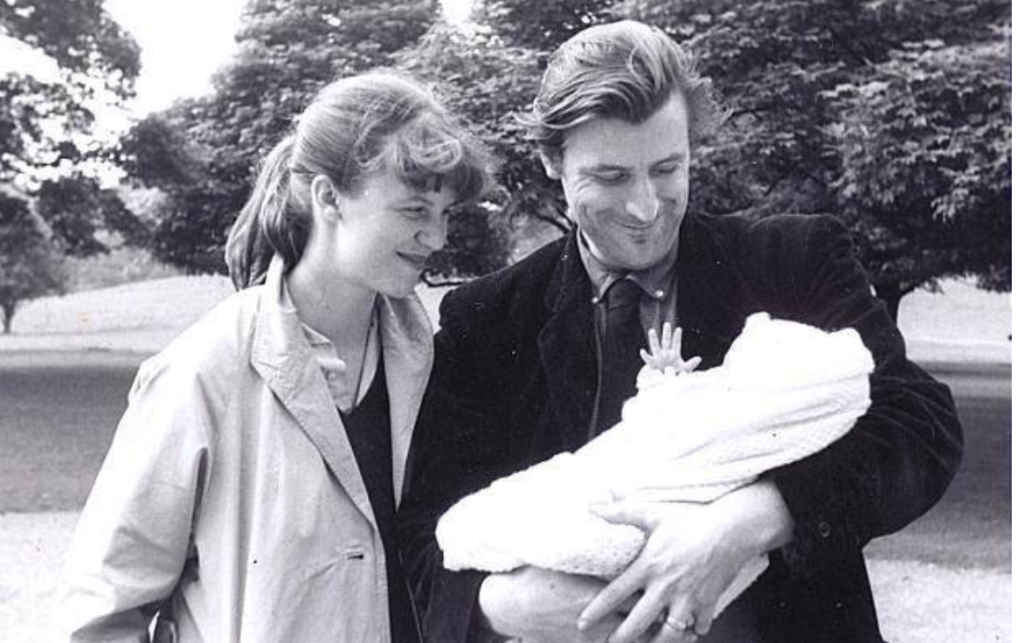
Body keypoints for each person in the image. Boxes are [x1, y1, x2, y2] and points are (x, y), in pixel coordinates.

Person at [396, 20, 962, 643]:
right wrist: (500, 605)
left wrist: (753, 519)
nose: (645, 207)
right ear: (550, 161)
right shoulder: (485, 317)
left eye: (668, 168)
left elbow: (918, 422)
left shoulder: (792, 260)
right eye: (610, 178)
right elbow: (424, 535)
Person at [58, 71, 489, 643]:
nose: (435, 239)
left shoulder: (431, 358)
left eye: (445, 214)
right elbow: (98, 616)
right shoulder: (204, 370)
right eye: (414, 211)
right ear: (328, 198)